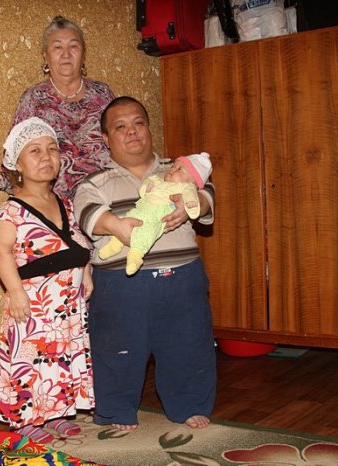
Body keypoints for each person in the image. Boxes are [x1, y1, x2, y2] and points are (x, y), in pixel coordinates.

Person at [74, 96, 217, 430]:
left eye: (138, 123)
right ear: (106, 139)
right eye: (120, 127)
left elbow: (208, 191)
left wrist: (193, 204)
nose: (132, 131)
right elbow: (86, 212)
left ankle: (190, 403)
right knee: (117, 348)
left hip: (183, 279)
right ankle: (117, 409)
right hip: (122, 284)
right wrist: (115, 226)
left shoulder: (177, 170)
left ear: (149, 129)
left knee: (188, 343)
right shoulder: (95, 182)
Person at [0, 117, 94, 444]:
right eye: (34, 151)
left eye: (52, 149)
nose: (46, 156)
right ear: (16, 164)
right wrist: (15, 291)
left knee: (60, 356)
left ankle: (57, 412)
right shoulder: (9, 212)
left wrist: (86, 272)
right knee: (30, 360)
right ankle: (25, 419)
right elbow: (1, 251)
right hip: (33, 304)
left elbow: (75, 242)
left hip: (66, 304)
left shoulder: (64, 204)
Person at [0, 16, 115, 198]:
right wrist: (33, 206)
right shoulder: (34, 100)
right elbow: (12, 164)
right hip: (56, 205)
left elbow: (122, 145)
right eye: (57, 47)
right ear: (45, 56)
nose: (66, 54)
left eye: (73, 46)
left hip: (108, 197)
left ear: (83, 54)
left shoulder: (103, 94)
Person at [98, 152, 213, 275]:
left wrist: (190, 204)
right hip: (141, 210)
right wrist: (146, 187)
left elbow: (197, 196)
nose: (172, 169)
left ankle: (136, 255)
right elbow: (146, 185)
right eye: (173, 166)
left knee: (148, 232)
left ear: (193, 182)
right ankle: (115, 243)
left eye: (179, 169)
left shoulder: (187, 188)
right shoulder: (158, 180)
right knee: (128, 217)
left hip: (159, 219)